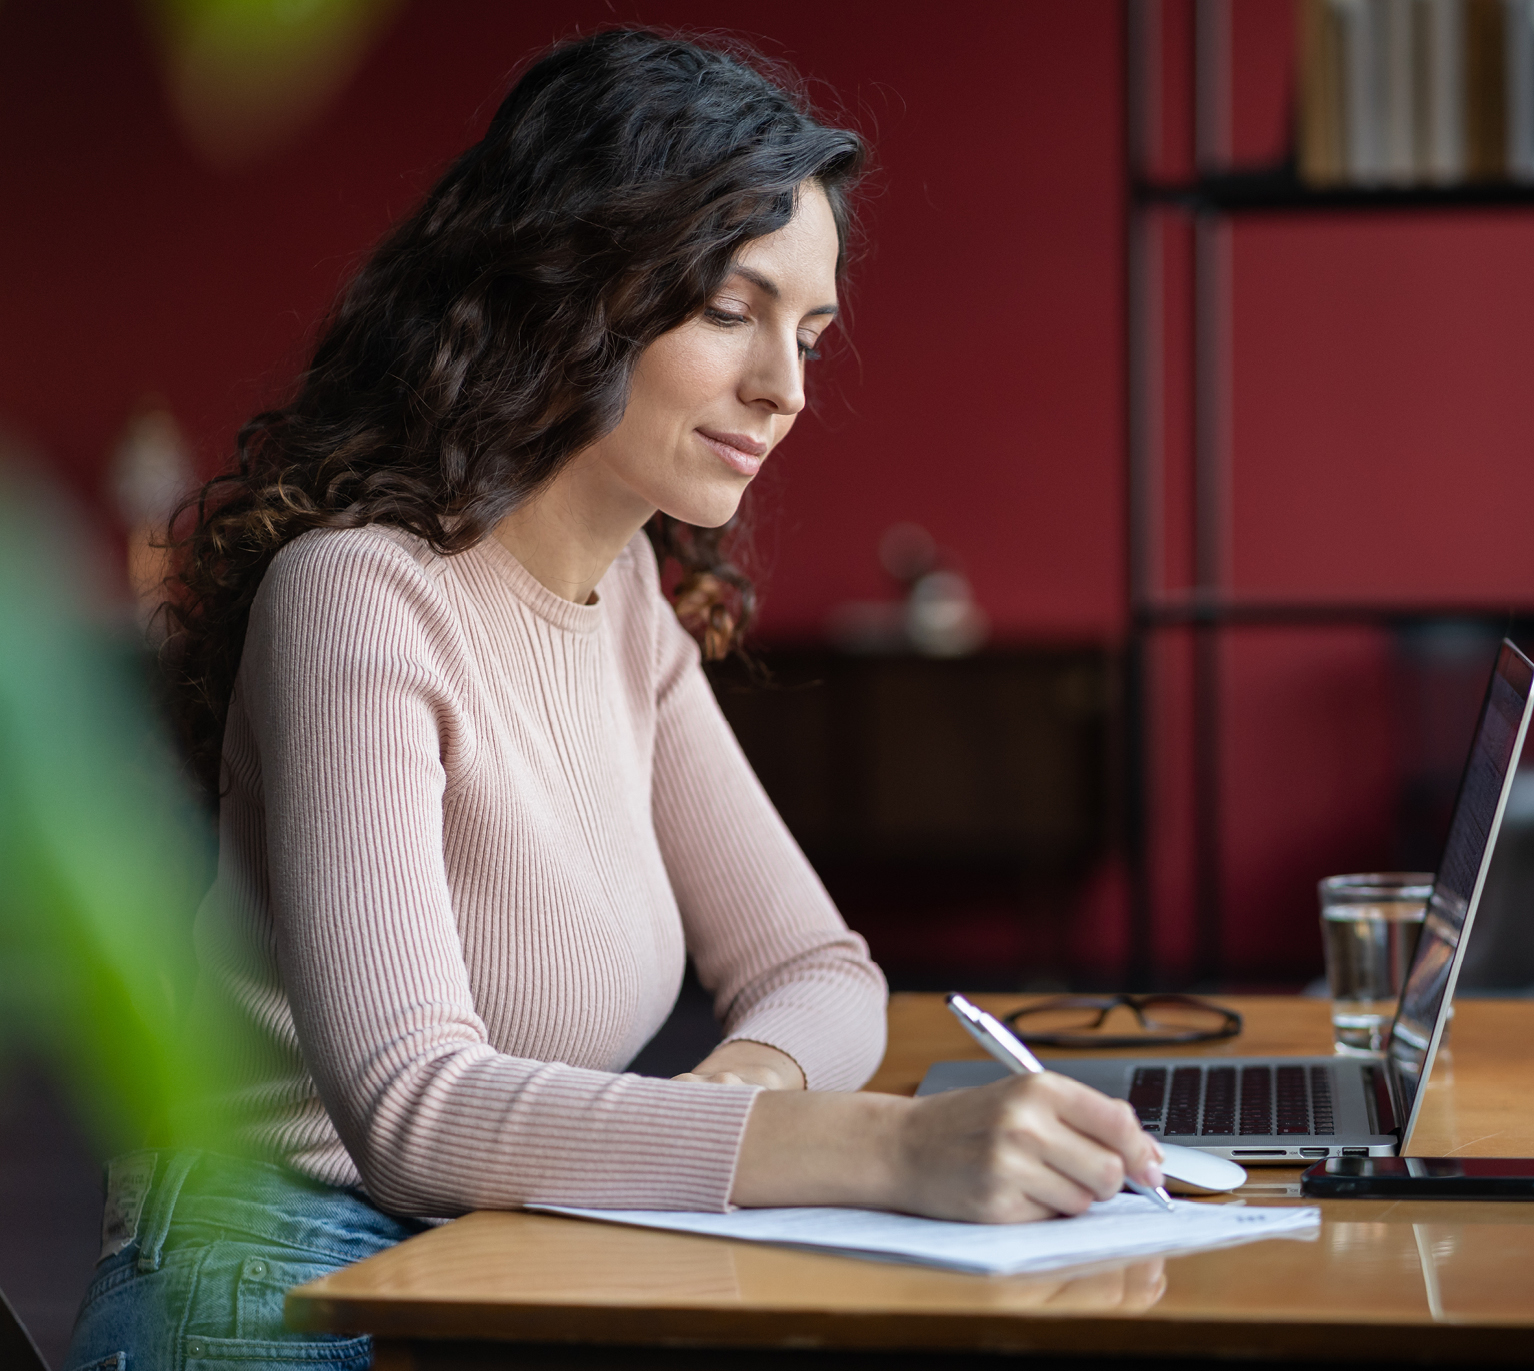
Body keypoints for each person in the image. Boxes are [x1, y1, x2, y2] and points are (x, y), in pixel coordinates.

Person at [63, 30, 1160, 1371]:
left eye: (809, 333)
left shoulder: (629, 596)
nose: (786, 388)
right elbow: (409, 1110)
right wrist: (876, 1143)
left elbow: (817, 972)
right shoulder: (356, 594)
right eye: (729, 309)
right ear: (572, 283)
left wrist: (731, 1098)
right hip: (274, 1272)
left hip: (509, 1247)